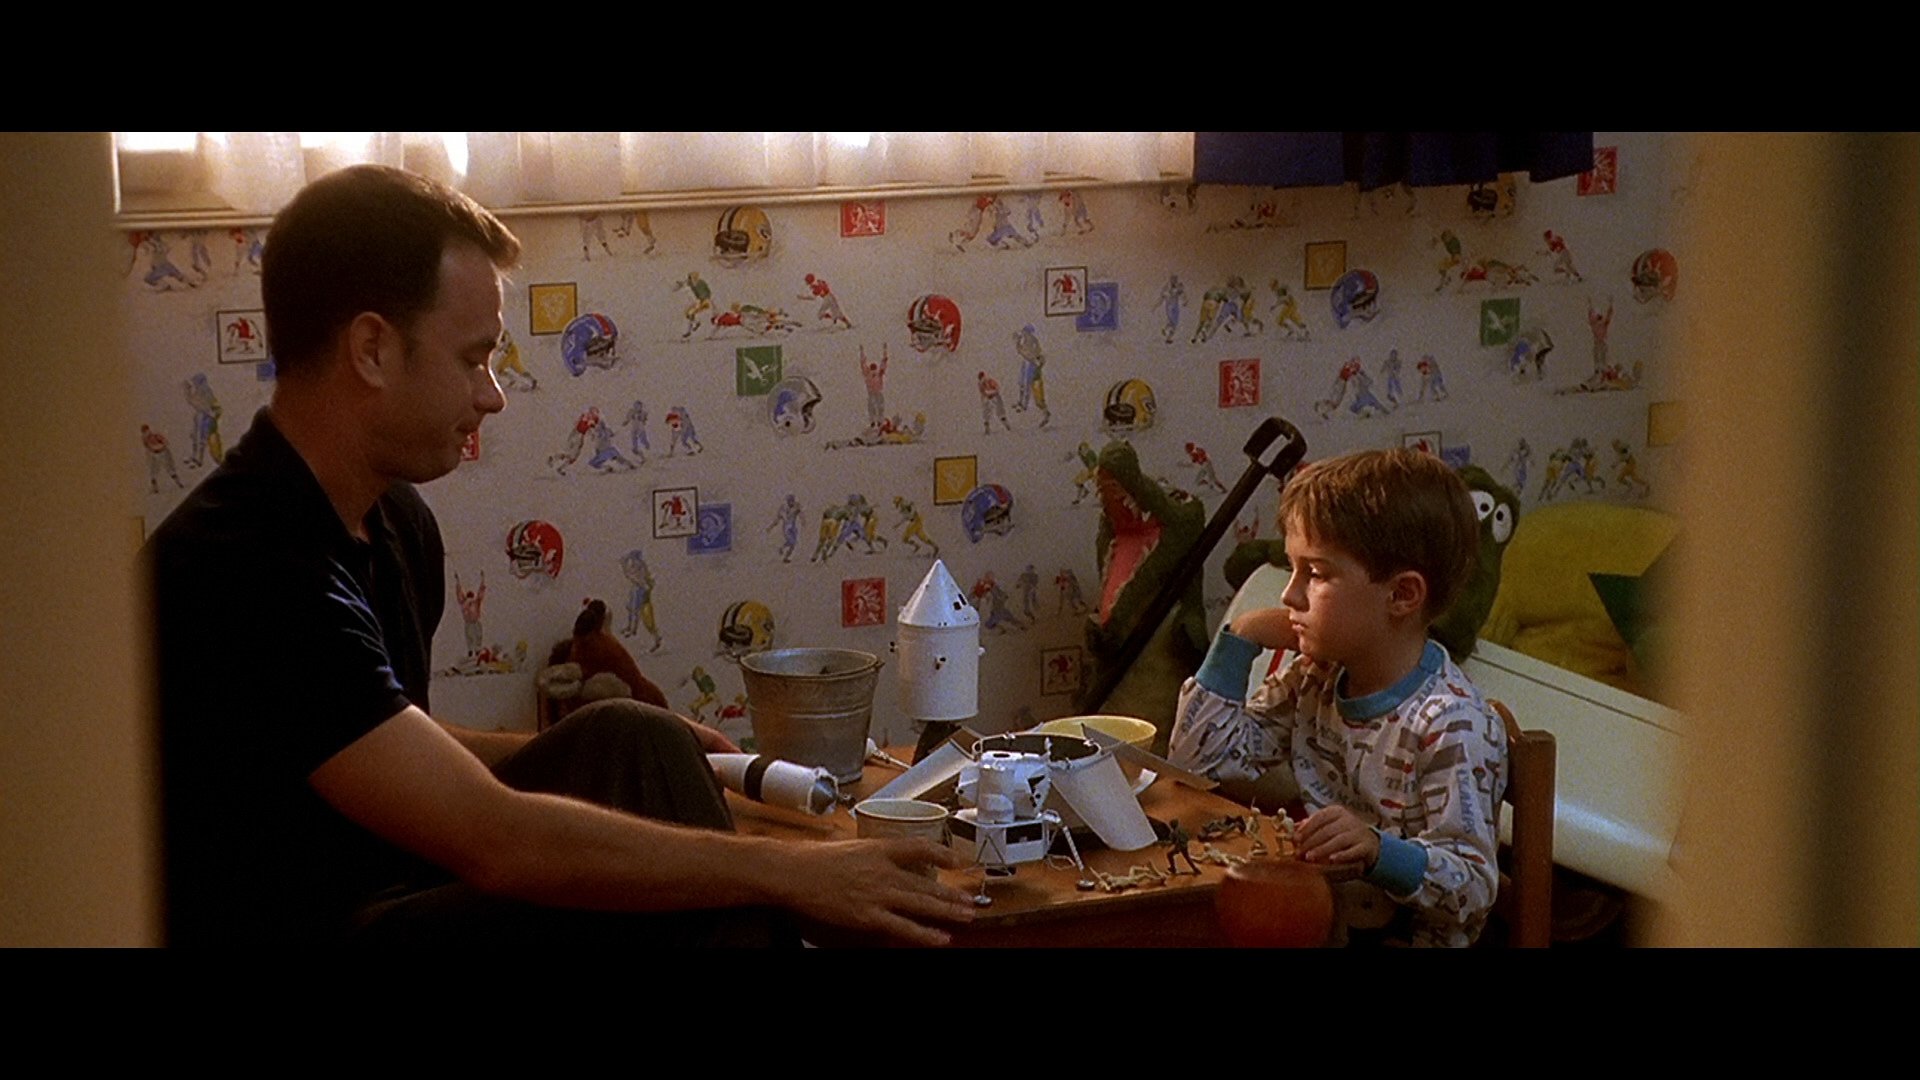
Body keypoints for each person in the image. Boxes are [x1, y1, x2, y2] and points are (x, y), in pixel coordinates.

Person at [145, 164, 973, 947]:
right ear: (371, 349)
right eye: (473, 357)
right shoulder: (242, 568)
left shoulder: (391, 522)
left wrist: (644, 751)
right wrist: (790, 872)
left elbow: (381, 744)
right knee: (719, 893)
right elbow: (497, 841)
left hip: (389, 892)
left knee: (634, 737)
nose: (492, 395)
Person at [1168, 449, 1508, 947]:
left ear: (1402, 595)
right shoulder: (1317, 677)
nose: (1289, 596)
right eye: (1292, 569)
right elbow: (1199, 761)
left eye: (1315, 574)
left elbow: (1472, 887)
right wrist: (1238, 640)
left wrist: (1377, 851)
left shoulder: (1452, 721)